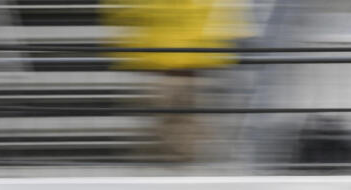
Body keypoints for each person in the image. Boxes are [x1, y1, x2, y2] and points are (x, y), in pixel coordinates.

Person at [102, 0, 247, 164]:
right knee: (176, 124)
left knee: (177, 124)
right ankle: (173, 161)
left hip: (180, 64)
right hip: (173, 64)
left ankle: (173, 161)